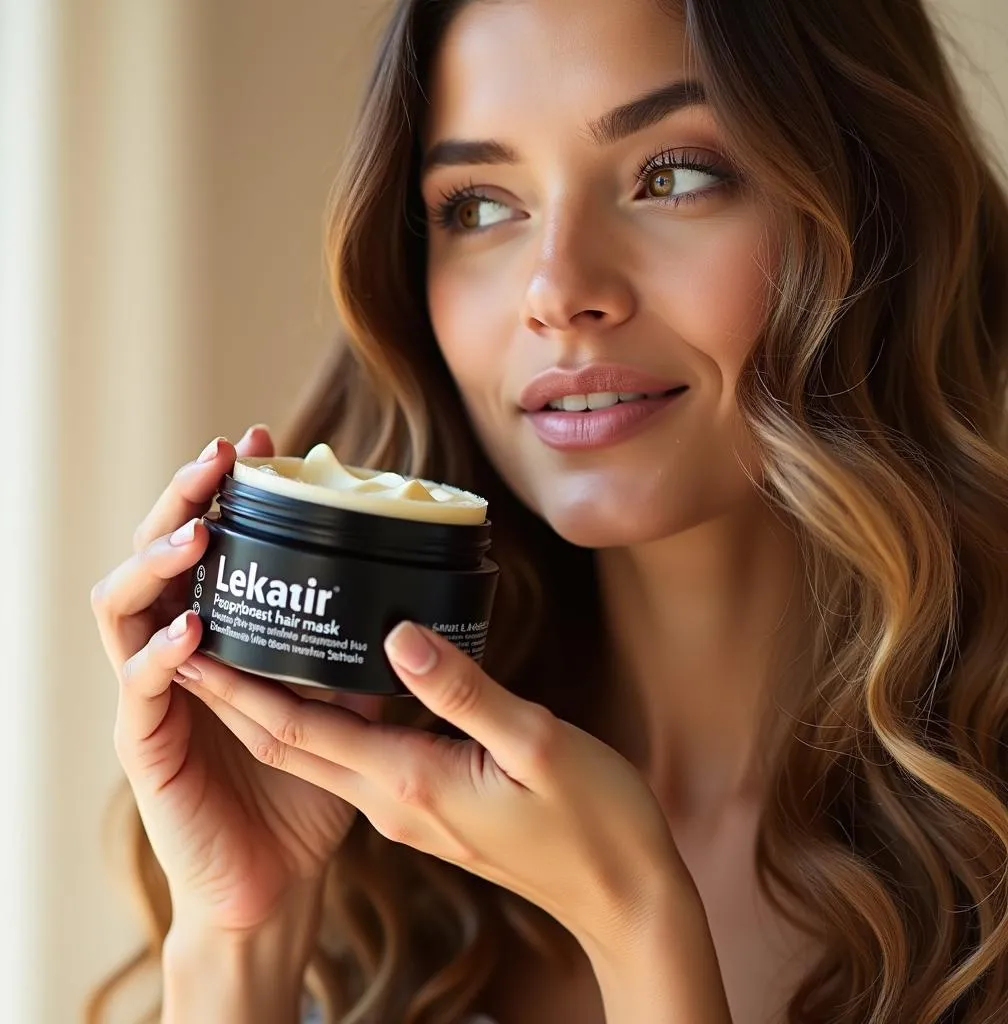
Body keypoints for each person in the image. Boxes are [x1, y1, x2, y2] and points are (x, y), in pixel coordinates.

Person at [87, 0, 1008, 1021]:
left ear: (872, 205)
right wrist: (242, 939)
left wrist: (638, 921)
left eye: (674, 175)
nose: (556, 289)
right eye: (479, 205)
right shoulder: (375, 833)